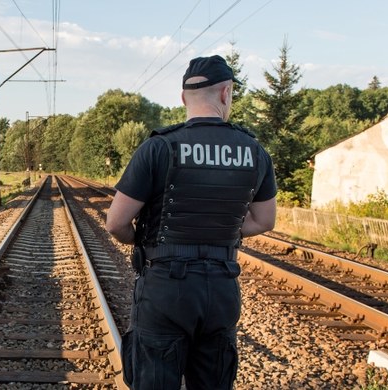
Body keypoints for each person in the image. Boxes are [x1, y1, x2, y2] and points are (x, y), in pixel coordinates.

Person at [105, 55, 276, 390]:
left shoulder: (159, 147)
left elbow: (115, 223)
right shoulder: (254, 151)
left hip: (166, 287)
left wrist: (141, 238)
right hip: (221, 288)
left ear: (184, 98)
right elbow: (264, 220)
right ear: (226, 93)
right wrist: (221, 229)